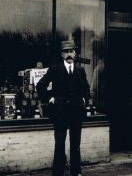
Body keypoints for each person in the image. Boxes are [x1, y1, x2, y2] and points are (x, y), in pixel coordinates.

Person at [36, 40, 90, 176]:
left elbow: (86, 89)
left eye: (71, 51)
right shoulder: (55, 69)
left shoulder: (80, 70)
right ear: (62, 54)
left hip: (76, 112)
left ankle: (76, 172)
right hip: (60, 113)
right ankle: (58, 172)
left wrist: (83, 99)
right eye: (66, 52)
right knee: (59, 144)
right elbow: (40, 86)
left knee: (75, 145)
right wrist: (50, 98)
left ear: (75, 53)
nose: (69, 55)